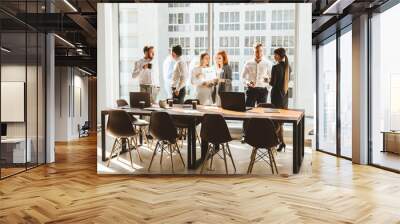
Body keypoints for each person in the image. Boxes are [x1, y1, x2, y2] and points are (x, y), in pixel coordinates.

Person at [270, 47, 291, 152]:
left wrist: (267, 79)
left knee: (276, 123)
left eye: (275, 55)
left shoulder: (275, 67)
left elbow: (272, 83)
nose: (274, 56)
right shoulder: (288, 67)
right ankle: (282, 143)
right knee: (280, 123)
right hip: (284, 98)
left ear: (279, 56)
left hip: (276, 98)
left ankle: (270, 141)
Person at [241, 43, 272, 107]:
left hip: (263, 91)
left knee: (262, 111)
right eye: (257, 51)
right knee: (248, 110)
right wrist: (248, 83)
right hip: (251, 90)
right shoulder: (248, 63)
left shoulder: (267, 63)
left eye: (261, 51)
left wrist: (267, 88)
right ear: (254, 51)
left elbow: (271, 78)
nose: (259, 53)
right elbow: (243, 77)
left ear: (263, 51)